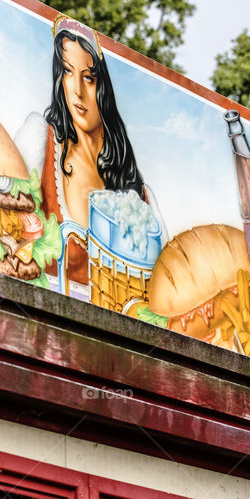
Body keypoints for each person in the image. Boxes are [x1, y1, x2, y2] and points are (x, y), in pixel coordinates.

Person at [39, 15, 146, 298]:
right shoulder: (40, 142)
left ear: (105, 87)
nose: (77, 91)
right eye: (67, 72)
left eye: (88, 77)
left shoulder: (138, 191)